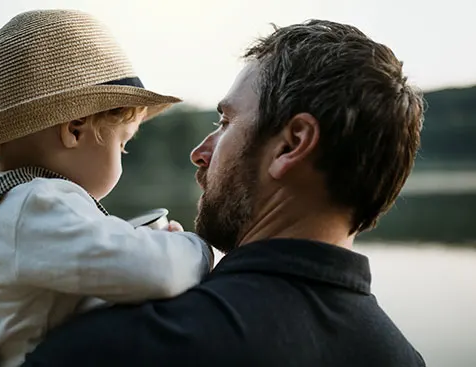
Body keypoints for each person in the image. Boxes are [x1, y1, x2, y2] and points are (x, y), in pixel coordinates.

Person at [21, 19, 427, 367]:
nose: (200, 153)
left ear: (291, 145)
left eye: (225, 122)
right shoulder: (404, 357)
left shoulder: (122, 346)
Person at [0, 9, 213, 367]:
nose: (121, 154)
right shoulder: (35, 202)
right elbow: (155, 272)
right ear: (74, 129)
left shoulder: (9, 204)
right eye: (122, 144)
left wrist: (143, 241)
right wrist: (198, 250)